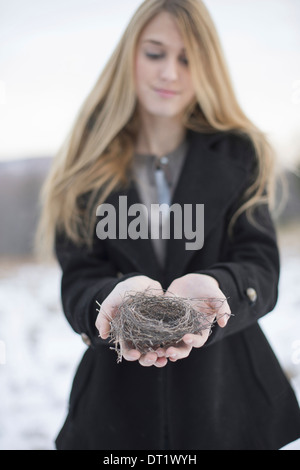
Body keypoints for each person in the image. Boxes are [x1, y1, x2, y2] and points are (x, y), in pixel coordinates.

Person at [36, 0, 300, 450]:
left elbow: (261, 269)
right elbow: (78, 278)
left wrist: (216, 290)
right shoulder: (85, 166)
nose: (169, 74)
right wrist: (108, 304)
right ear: (129, 56)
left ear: (208, 67)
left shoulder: (241, 154)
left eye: (187, 58)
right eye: (155, 53)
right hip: (115, 409)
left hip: (229, 399)